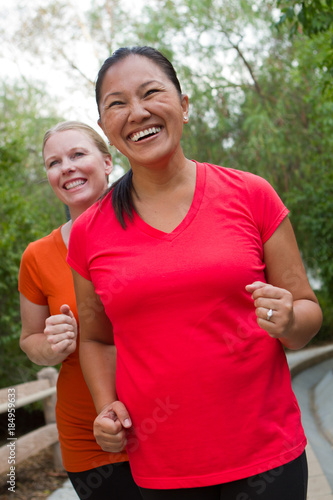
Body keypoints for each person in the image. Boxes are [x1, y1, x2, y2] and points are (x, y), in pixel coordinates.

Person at [67, 47, 323, 500]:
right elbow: (96, 338)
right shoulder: (89, 232)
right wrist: (107, 407)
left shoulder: (252, 195)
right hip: (163, 468)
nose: (137, 112)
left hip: (268, 456)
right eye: (117, 103)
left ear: (184, 106)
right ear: (105, 127)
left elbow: (306, 313)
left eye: (151, 93)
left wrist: (290, 321)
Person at [18, 121, 142, 500]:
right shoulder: (37, 256)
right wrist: (52, 345)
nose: (66, 167)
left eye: (77, 154)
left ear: (107, 162)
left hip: (163, 418)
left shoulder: (152, 230)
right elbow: (30, 340)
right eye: (54, 162)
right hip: (90, 432)